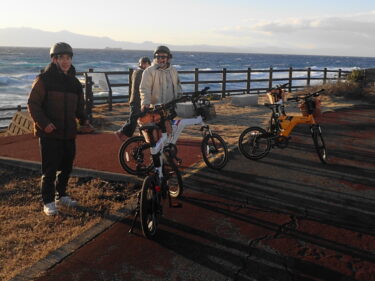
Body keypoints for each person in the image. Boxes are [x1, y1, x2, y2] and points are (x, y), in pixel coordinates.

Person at [27, 42, 93, 216]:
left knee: (67, 166)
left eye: (68, 58)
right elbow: (33, 104)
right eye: (61, 58)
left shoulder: (74, 83)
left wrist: (84, 120)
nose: (65, 61)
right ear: (54, 59)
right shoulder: (44, 80)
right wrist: (44, 124)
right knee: (49, 170)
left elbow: (79, 107)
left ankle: (61, 195)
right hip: (49, 133)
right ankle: (48, 202)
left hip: (69, 132)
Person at [138, 46, 183, 141]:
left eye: (163, 57)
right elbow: (144, 89)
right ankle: (156, 154)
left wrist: (180, 98)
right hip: (155, 109)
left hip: (170, 108)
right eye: (157, 57)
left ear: (168, 58)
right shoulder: (149, 71)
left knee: (170, 135)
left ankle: (165, 153)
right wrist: (145, 103)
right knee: (156, 138)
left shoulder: (173, 71)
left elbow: (178, 86)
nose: (160, 59)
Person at [114, 56, 151, 141]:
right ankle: (121, 133)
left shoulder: (136, 72)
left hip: (136, 99)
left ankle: (140, 134)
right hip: (138, 100)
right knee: (134, 119)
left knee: (136, 118)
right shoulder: (141, 73)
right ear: (146, 64)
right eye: (149, 65)